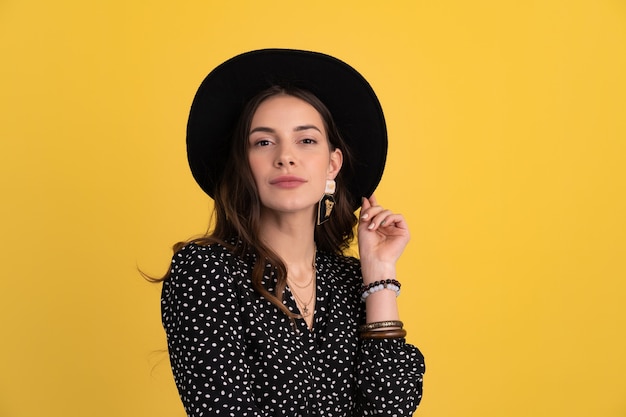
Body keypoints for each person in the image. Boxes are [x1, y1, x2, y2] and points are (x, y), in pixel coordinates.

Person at [159, 49, 425, 417]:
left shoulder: (349, 279)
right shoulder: (206, 271)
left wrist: (379, 276)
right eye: (264, 142)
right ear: (244, 165)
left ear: (332, 164)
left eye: (306, 140)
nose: (286, 156)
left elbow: (391, 407)